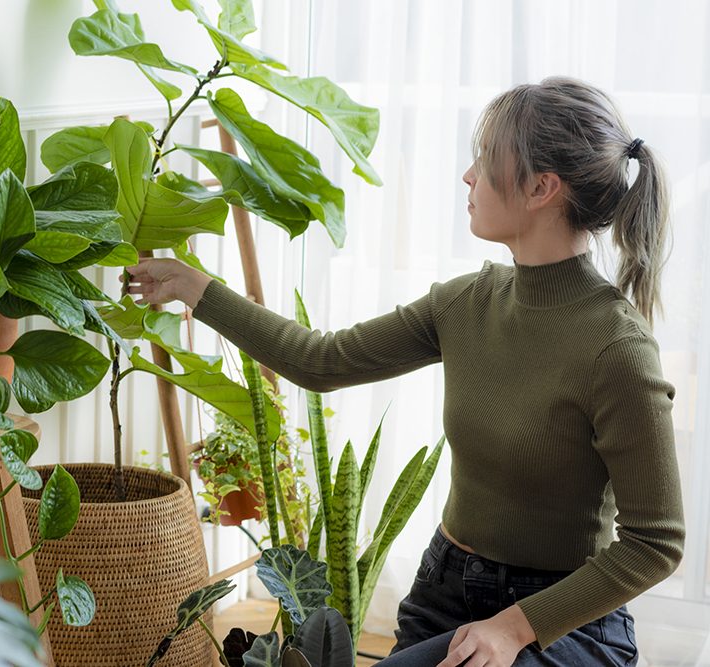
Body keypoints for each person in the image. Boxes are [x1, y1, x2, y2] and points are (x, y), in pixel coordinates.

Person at [121, 76, 684, 667]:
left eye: (486, 159)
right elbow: (320, 360)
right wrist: (193, 287)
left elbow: (656, 543)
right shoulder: (465, 303)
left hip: (562, 620)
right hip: (444, 593)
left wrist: (515, 627)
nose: (468, 176)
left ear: (542, 187)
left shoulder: (616, 348)